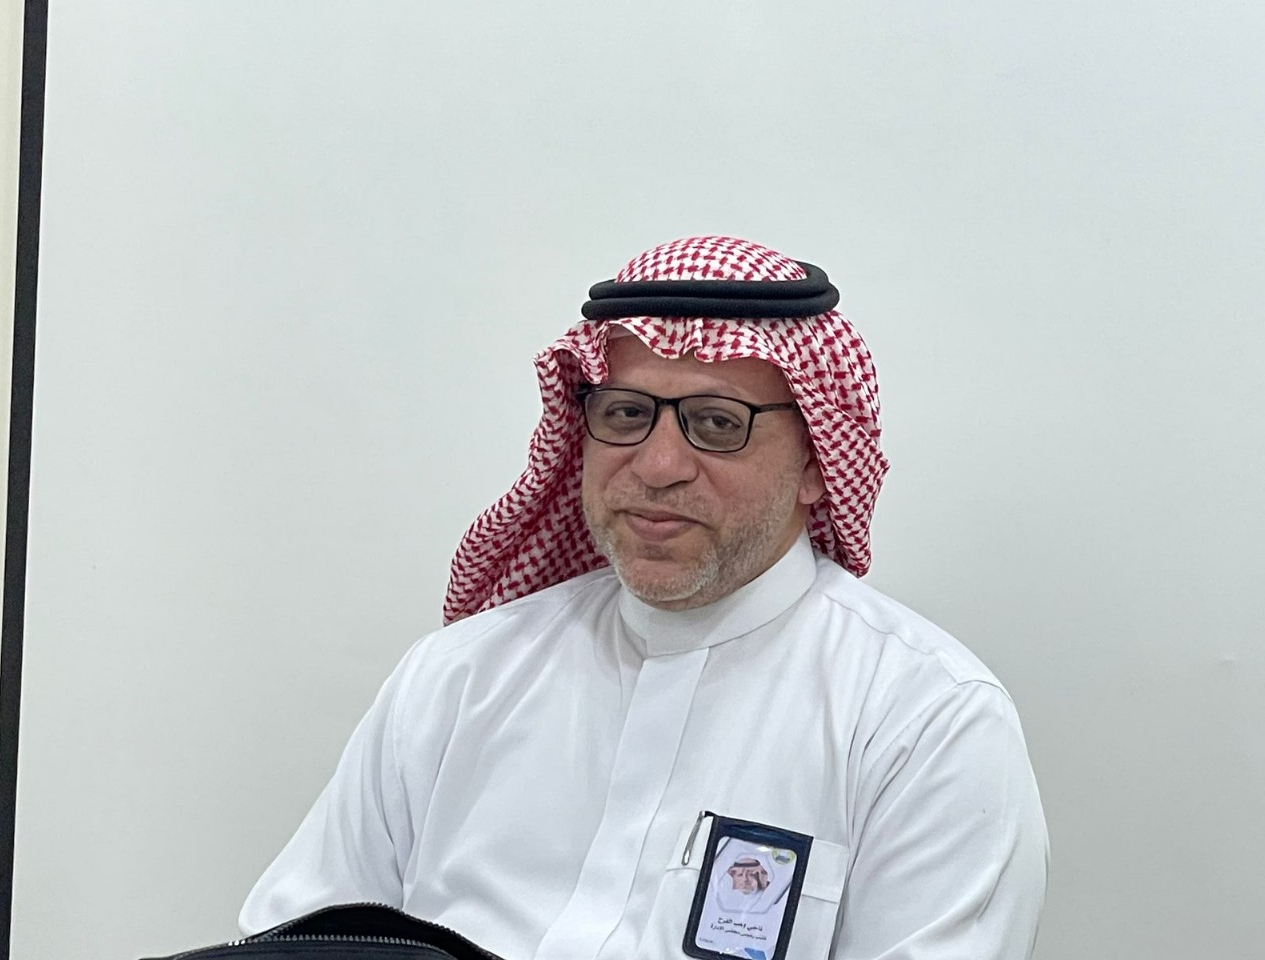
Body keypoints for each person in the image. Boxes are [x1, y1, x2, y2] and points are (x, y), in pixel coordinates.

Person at [240, 235, 1049, 959]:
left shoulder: (924, 722)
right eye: (626, 414)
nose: (658, 466)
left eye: (717, 423)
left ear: (814, 463)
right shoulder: (459, 678)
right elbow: (297, 938)